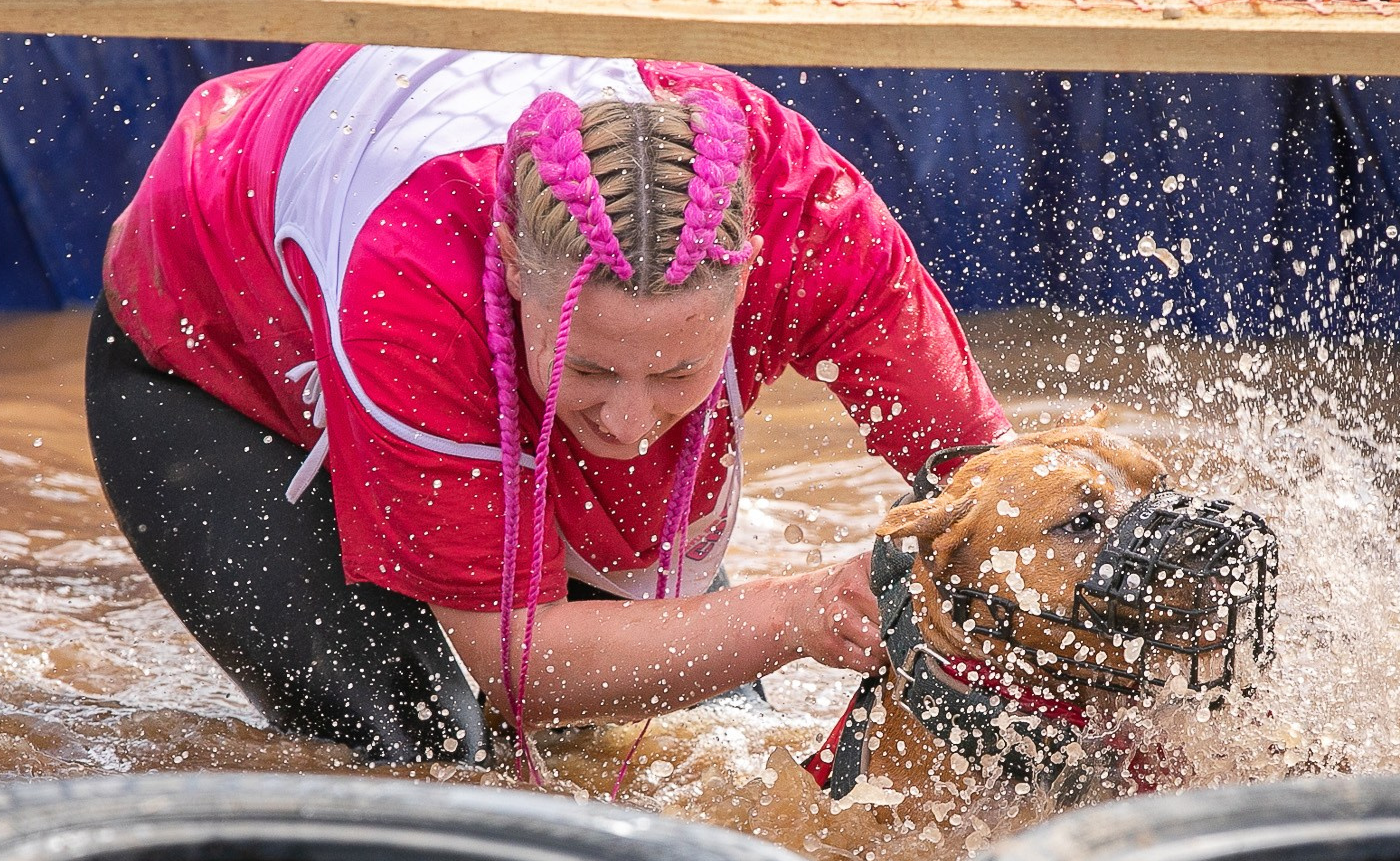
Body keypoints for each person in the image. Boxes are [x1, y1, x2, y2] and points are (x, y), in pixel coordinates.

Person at [87, 45, 1010, 771]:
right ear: (514, 268)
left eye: (680, 371)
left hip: (469, 333)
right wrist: (797, 613)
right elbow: (515, 660)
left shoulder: (819, 227)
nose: (628, 422)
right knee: (426, 760)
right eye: (595, 369)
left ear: (754, 276)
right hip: (213, 364)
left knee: (716, 751)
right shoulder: (410, 283)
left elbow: (998, 488)